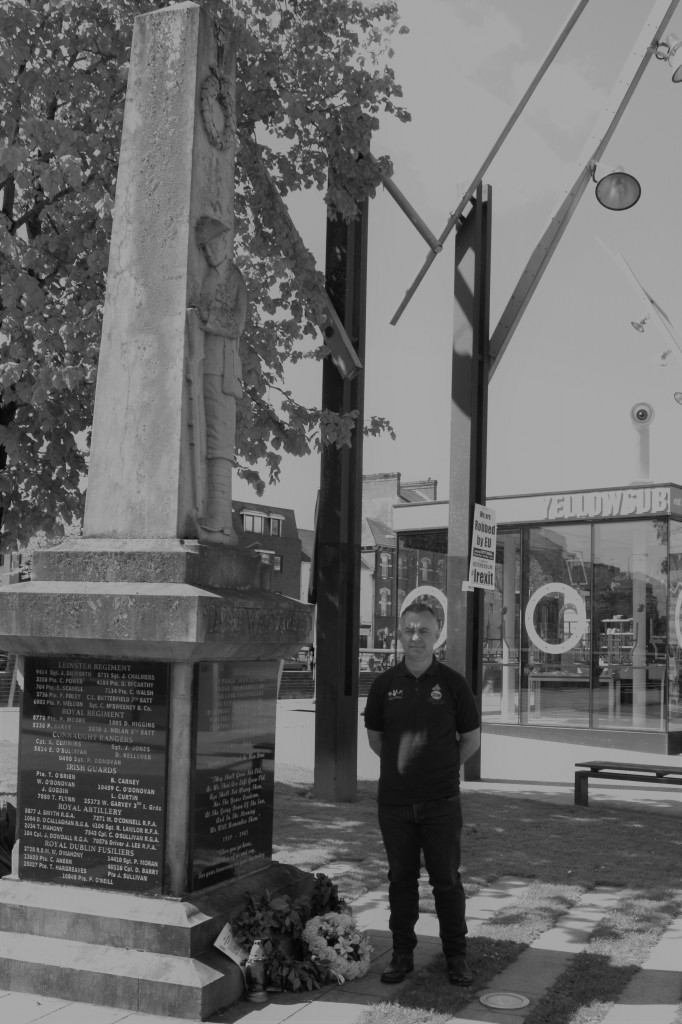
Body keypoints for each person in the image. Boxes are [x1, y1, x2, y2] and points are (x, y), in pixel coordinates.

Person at [364, 600, 481, 986]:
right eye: (409, 630)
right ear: (399, 633)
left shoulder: (452, 684)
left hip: (441, 803)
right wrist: (406, 768)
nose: (416, 637)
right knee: (400, 881)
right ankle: (401, 955)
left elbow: (470, 740)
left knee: (446, 880)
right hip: (395, 803)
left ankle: (456, 957)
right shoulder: (383, 685)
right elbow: (377, 740)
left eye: (424, 631)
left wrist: (440, 769)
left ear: (437, 635)